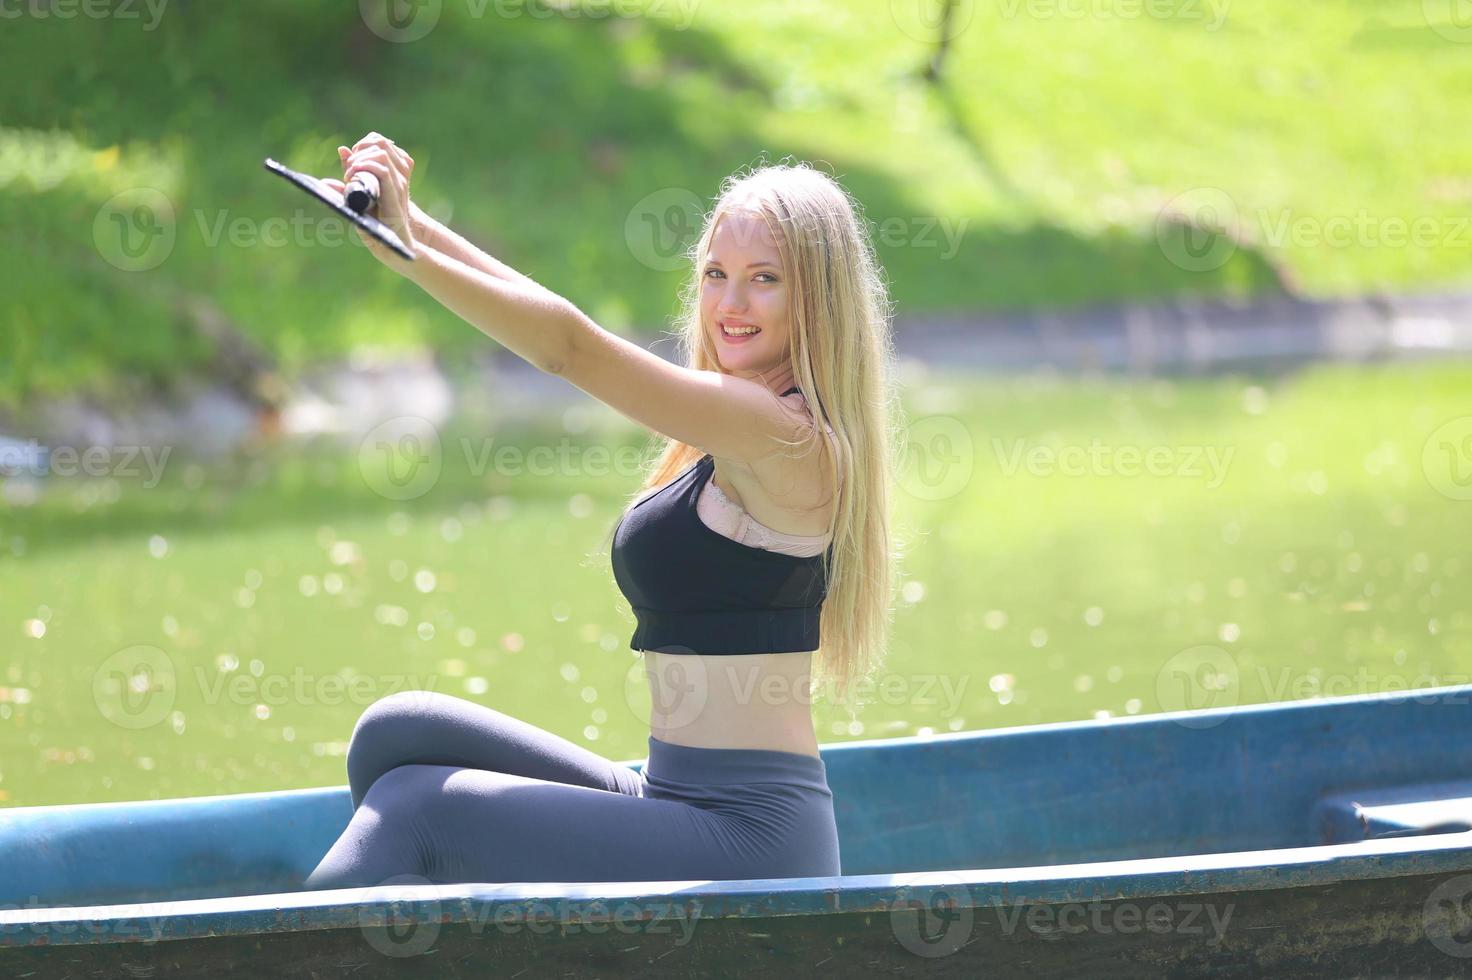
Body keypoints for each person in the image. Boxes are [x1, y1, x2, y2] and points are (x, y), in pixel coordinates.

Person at [303, 134, 903, 890]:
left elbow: (570, 349)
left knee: (418, 809)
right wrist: (410, 223)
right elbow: (563, 322)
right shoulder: (733, 422)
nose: (729, 303)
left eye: (764, 280)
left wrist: (406, 257)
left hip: (749, 838)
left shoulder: (785, 435)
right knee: (397, 735)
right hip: (672, 794)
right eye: (716, 274)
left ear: (817, 300)